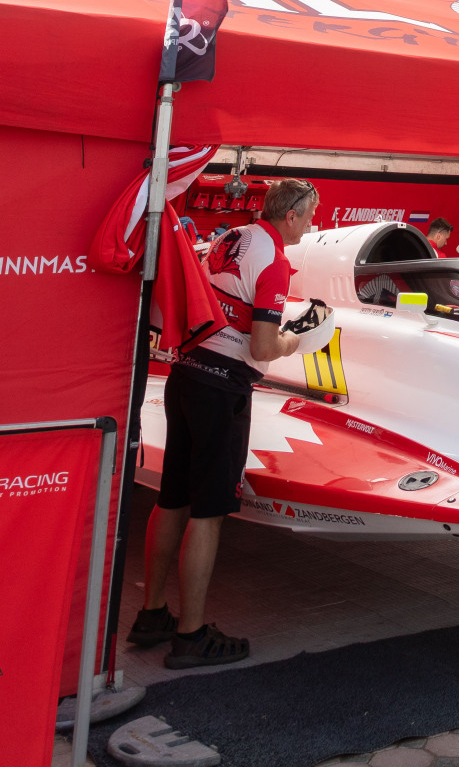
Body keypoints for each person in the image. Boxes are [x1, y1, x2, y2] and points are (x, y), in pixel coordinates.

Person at [128, 178, 319, 667]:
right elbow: (263, 346)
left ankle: (152, 614)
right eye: (309, 216)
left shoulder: (231, 236)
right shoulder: (274, 261)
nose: (310, 225)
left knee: (172, 498)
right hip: (222, 386)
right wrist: (298, 340)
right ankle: (191, 637)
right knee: (208, 511)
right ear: (292, 215)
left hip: (186, 374)